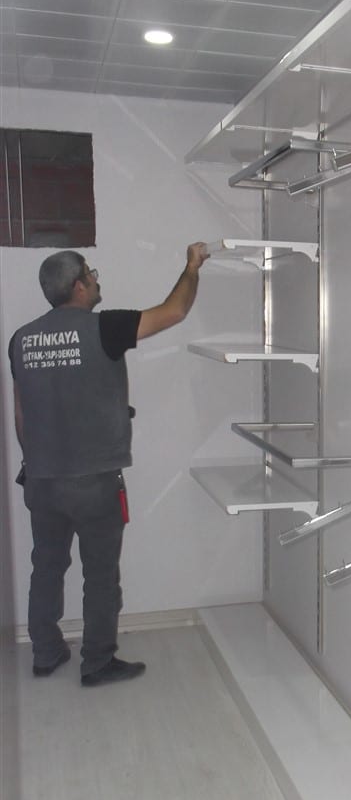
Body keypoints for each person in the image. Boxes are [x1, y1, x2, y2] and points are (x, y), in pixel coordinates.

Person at [8, 242, 210, 686]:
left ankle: (45, 653)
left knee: (47, 567)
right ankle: (97, 662)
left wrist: (38, 459)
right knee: (100, 574)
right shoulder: (105, 327)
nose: (96, 279)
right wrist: (192, 266)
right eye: (91, 273)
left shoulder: (21, 339)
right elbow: (174, 311)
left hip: (41, 479)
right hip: (94, 482)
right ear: (78, 286)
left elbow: (21, 412)